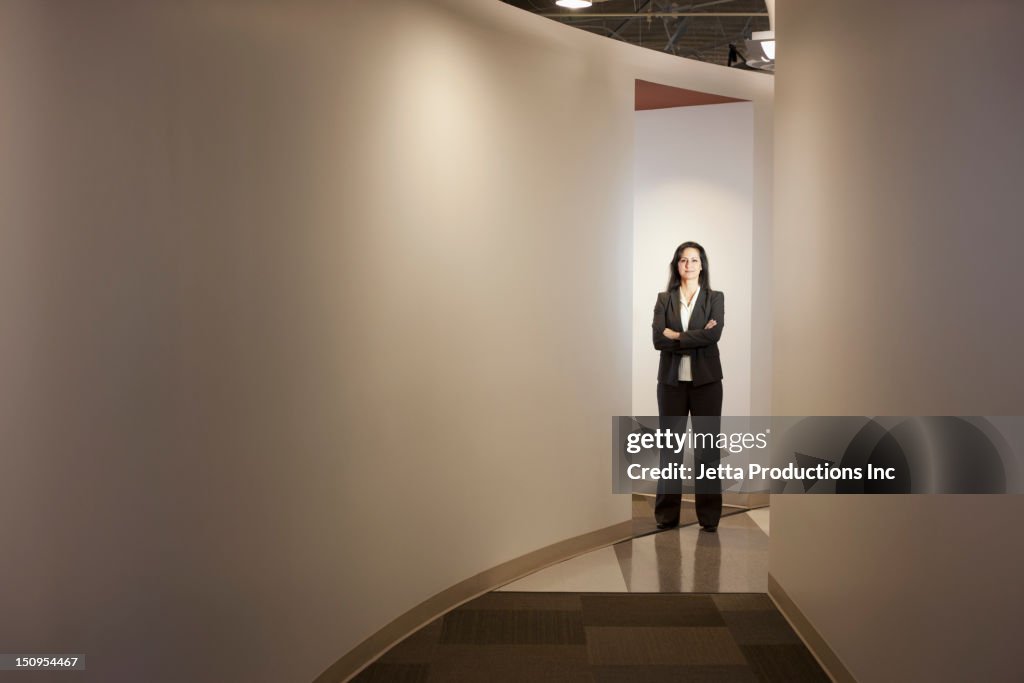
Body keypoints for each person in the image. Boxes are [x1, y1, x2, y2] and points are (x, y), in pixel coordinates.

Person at [651, 241, 724, 532]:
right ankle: (667, 516)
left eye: (694, 260)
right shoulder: (663, 299)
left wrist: (676, 336)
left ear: (702, 265)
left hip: (707, 383)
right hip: (671, 384)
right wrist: (695, 335)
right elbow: (658, 340)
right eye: (683, 260)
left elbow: (714, 335)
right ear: (676, 265)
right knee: (671, 450)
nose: (689, 265)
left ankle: (708, 518)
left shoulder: (715, 297)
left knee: (707, 450)